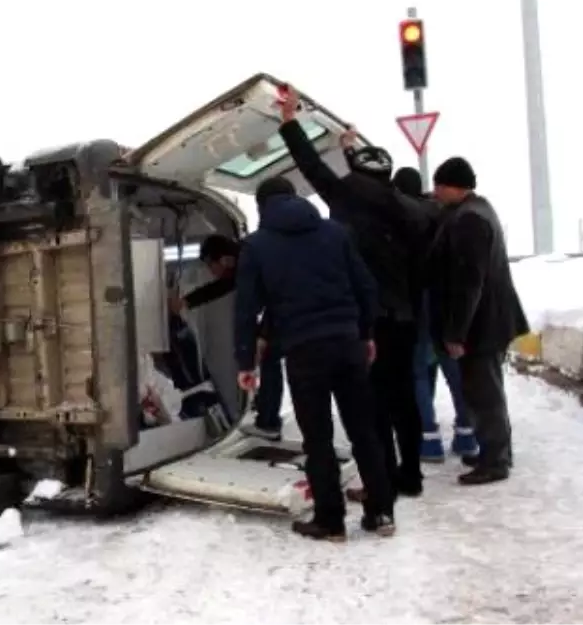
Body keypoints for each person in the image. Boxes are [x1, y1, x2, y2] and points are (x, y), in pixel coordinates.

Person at [275, 86, 431, 500]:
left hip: (369, 320)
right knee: (405, 399)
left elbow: (309, 165)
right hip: (405, 317)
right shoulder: (409, 209)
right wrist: (349, 148)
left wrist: (290, 122)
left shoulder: (346, 196)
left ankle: (381, 479)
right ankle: (410, 476)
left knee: (373, 404)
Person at [235, 176, 395, 541]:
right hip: (347, 342)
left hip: (304, 352)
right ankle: (382, 512)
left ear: (262, 206)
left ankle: (331, 521)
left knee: (318, 438)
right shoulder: (335, 233)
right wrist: (366, 333)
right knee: (363, 431)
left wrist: (247, 361)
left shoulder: (257, 246)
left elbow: (246, 310)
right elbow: (366, 286)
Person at [426, 157, 529, 485]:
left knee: (484, 393)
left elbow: (470, 282)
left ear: (453, 186)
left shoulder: (470, 220)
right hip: (489, 319)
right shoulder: (477, 210)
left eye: (439, 187)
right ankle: (493, 451)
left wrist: (457, 332)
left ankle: (495, 462)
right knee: (485, 390)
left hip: (481, 323)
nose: (435, 192)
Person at [392, 167, 479, 462]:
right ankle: (467, 434)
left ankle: (427, 439)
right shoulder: (444, 213)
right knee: (454, 369)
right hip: (447, 302)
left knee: (418, 370)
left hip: (418, 303)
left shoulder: (400, 217)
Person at [170, 235, 284, 438]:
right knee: (268, 359)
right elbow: (224, 285)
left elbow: (278, 301)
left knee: (270, 358)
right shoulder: (247, 259)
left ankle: (269, 423)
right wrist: (187, 301)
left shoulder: (252, 263)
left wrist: (264, 335)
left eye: (211, 266)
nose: (212, 272)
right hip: (293, 312)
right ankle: (267, 417)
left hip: (297, 312)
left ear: (224, 260)